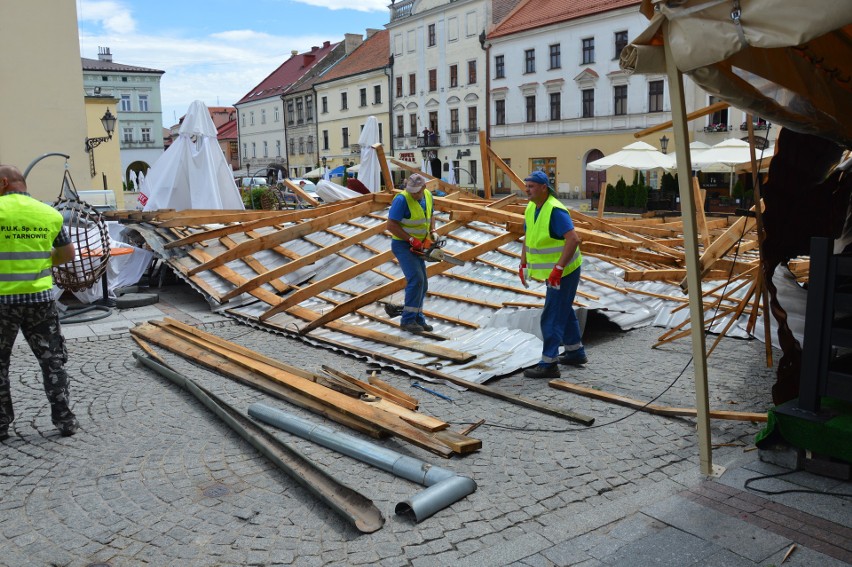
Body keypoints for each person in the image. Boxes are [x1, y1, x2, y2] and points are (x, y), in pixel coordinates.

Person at [0, 165, 79, 439]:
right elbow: (67, 253)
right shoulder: (49, 213)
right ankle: (64, 419)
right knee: (52, 361)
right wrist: (44, 262)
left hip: (2, 302)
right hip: (40, 300)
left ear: (4, 182)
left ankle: (1, 425)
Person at [519, 170, 587, 378]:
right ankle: (575, 352)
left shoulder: (555, 210)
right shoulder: (531, 207)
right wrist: (523, 263)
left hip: (565, 271)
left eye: (531, 186)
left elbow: (573, 239)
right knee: (563, 310)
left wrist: (558, 268)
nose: (527, 190)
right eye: (526, 186)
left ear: (543, 188)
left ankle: (549, 363)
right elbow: (528, 236)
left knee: (551, 315)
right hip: (554, 272)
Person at [386, 174, 436, 334]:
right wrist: (410, 239)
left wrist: (432, 232)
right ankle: (407, 320)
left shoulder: (427, 196)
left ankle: (417, 318)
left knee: (423, 283)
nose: (414, 194)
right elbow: (391, 225)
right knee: (416, 279)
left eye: (417, 192)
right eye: (412, 191)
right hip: (402, 244)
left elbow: (431, 214)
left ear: (424, 188)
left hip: (419, 244)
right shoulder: (401, 200)